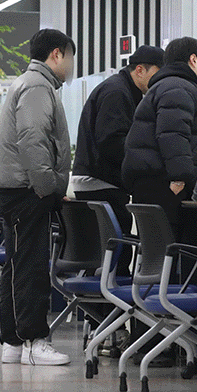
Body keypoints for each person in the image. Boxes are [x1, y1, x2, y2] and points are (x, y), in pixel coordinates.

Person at [0, 28, 75, 366]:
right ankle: (35, 341)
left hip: (17, 188)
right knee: (31, 266)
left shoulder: (28, 83)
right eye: (69, 57)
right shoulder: (39, 86)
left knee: (16, 264)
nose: (70, 65)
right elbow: (32, 138)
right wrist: (48, 186)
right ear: (57, 54)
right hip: (28, 190)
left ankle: (13, 342)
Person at [72, 45, 164, 275]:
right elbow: (112, 142)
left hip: (96, 181)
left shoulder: (121, 90)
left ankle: (102, 310)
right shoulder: (117, 93)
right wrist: (146, 162)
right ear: (140, 70)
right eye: (157, 74)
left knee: (104, 259)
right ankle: (113, 309)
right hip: (102, 184)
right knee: (117, 258)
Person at [122, 37, 197, 241]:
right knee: (174, 254)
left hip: (151, 183)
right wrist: (179, 178)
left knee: (157, 255)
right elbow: (173, 134)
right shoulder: (180, 88)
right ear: (194, 60)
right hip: (165, 187)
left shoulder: (163, 86)